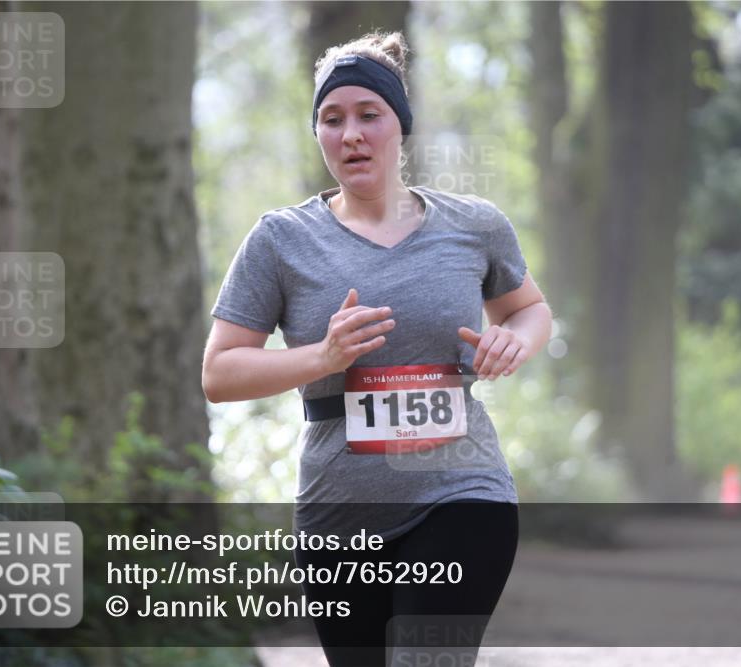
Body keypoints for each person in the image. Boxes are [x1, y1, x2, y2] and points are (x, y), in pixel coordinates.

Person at [201, 30, 552, 666]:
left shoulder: (473, 225)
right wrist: (323, 359)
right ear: (317, 135)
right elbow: (220, 373)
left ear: (401, 126)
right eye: (332, 120)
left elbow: (529, 309)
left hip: (462, 491)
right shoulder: (280, 240)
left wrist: (513, 341)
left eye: (369, 115)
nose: (351, 134)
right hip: (340, 511)